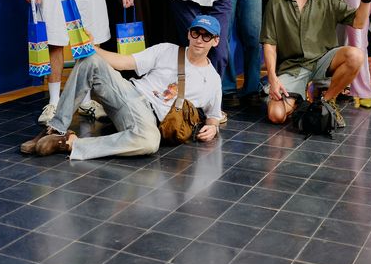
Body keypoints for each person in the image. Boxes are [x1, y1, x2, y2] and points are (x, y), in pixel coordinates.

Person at [19, 15, 223, 159]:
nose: (199, 40)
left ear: (215, 41)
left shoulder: (213, 80)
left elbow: (213, 115)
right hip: (129, 95)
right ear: (189, 34)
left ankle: (69, 143)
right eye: (196, 33)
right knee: (90, 59)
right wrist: (92, 48)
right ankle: (55, 128)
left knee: (150, 142)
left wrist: (213, 127)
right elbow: (124, 62)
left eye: (206, 36)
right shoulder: (168, 50)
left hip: (149, 121)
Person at [261, 0, 371, 125]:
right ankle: (305, 98)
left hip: (322, 62)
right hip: (292, 69)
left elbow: (359, 22)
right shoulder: (276, 1)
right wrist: (272, 78)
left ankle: (325, 102)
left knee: (356, 55)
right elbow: (269, 44)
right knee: (276, 115)